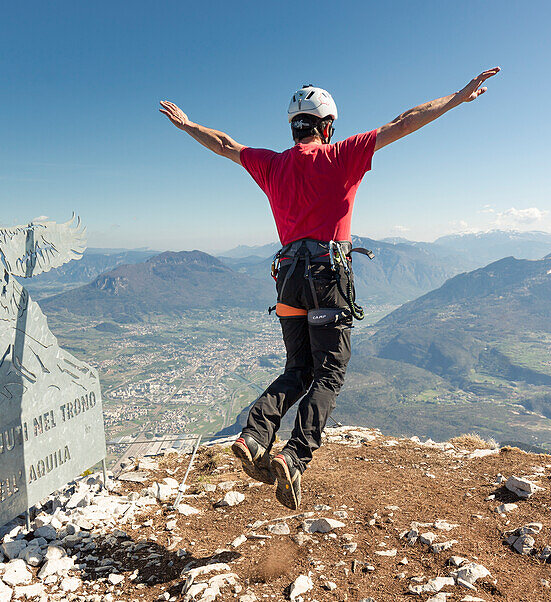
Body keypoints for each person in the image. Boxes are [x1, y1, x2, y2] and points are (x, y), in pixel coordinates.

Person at [159, 67, 500, 508]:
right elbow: (405, 121)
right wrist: (456, 98)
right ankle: (294, 456)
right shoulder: (343, 155)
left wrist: (187, 126)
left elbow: (226, 145)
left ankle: (253, 434)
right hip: (327, 279)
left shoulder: (271, 164)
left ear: (294, 126)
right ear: (328, 126)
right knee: (330, 371)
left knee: (297, 368)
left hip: (288, 281)